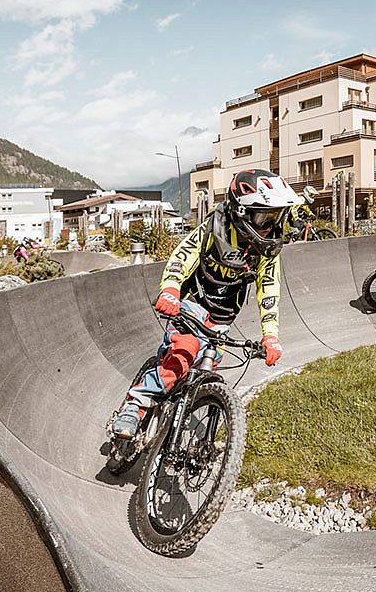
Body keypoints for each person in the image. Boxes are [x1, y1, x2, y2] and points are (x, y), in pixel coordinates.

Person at [111, 169, 300, 439]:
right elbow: (182, 256)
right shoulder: (214, 228)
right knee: (184, 351)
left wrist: (270, 336)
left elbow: (269, 290)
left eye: (276, 216)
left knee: (209, 364)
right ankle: (136, 404)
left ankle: (174, 421)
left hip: (222, 317)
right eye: (264, 217)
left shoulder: (266, 251)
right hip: (190, 304)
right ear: (241, 212)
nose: (270, 226)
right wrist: (170, 289)